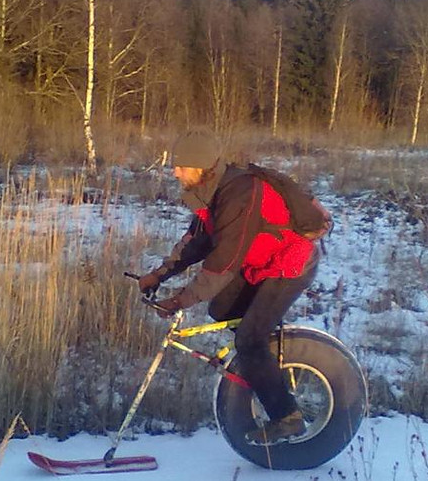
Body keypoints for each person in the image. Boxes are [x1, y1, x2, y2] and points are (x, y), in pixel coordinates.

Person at [138, 131, 322, 446]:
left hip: (289, 263)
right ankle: (264, 360)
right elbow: (196, 242)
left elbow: (224, 261)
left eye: (180, 166)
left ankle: (287, 417)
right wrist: (158, 276)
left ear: (200, 166)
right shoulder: (211, 192)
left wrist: (182, 299)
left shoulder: (240, 193)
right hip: (260, 264)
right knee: (220, 309)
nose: (174, 172)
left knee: (249, 339)